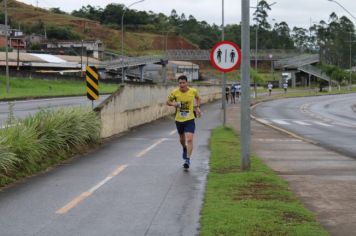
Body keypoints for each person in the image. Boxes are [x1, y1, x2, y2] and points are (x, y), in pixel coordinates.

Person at [167, 75, 202, 169]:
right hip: (179, 120)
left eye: (183, 83)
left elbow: (198, 98)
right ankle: (184, 148)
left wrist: (197, 107)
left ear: (187, 83)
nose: (181, 85)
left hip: (190, 119)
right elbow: (168, 102)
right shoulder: (175, 92)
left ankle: (187, 160)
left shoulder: (193, 91)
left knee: (189, 139)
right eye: (180, 83)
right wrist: (174, 103)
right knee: (182, 140)